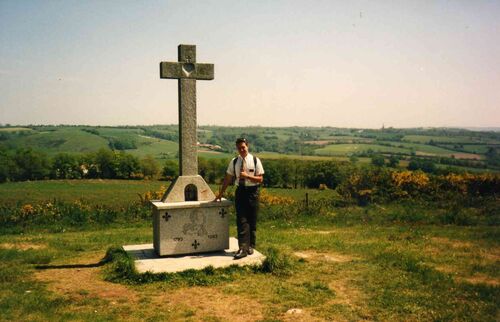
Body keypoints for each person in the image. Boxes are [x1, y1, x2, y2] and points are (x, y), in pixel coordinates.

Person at [215, 138, 264, 259]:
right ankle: (242, 248)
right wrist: (220, 193)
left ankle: (251, 245)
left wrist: (247, 176)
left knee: (252, 220)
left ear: (247, 146)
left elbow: (260, 179)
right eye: (239, 148)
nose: (241, 150)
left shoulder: (255, 160)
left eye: (243, 147)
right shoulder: (234, 161)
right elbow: (227, 178)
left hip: (253, 192)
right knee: (241, 220)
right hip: (240, 192)